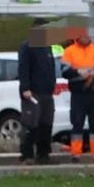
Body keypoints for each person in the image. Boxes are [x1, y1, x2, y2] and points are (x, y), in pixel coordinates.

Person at [61, 29, 94, 161]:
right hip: (77, 93)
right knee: (77, 123)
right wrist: (78, 72)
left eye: (87, 35)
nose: (86, 37)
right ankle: (76, 154)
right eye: (83, 35)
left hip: (93, 92)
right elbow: (64, 71)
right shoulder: (69, 51)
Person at [17, 20, 58, 164]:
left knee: (46, 124)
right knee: (31, 124)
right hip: (33, 92)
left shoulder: (47, 47)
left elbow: (51, 68)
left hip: (47, 93)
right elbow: (23, 68)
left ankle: (43, 154)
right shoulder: (27, 46)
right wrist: (25, 88)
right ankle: (27, 154)